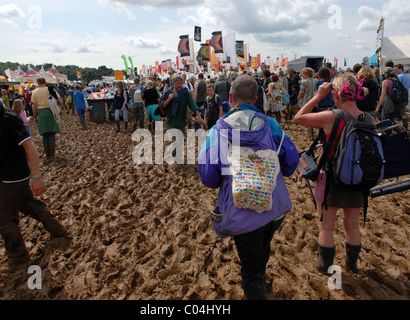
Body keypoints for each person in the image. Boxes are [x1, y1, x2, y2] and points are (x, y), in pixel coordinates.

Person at [198, 75, 299, 299]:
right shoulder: (270, 124)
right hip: (272, 207)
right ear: (255, 99)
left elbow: (208, 177)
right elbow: (291, 162)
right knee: (261, 254)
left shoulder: (218, 130)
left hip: (239, 211)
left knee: (250, 268)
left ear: (230, 98)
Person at [0, 84, 70, 272]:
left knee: (3, 219)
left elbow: (30, 148)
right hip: (0, 175)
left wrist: (36, 176)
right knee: (29, 205)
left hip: (14, 176)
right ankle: (58, 230)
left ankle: (19, 259)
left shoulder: (9, 119)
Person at [294, 73, 373, 275]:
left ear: (336, 94)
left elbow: (299, 117)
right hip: (357, 177)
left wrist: (318, 96)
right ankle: (352, 265)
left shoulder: (332, 116)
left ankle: (325, 266)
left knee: (326, 227)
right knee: (352, 226)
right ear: (356, 93)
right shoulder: (369, 119)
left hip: (331, 178)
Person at [159, 74, 205, 159]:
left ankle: (175, 151)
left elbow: (192, 105)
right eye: (178, 84)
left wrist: (199, 116)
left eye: (181, 83)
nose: (179, 85)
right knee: (175, 138)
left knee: (180, 138)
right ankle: (178, 157)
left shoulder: (185, 93)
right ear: (173, 83)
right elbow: (162, 105)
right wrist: (168, 99)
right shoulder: (168, 92)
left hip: (181, 119)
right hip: (171, 119)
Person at [31, 77, 61, 159]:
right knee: (51, 133)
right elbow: (59, 101)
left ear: (37, 83)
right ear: (45, 82)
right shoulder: (50, 90)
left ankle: (47, 153)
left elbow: (34, 106)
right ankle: (52, 153)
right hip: (50, 112)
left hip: (41, 113)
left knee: (44, 134)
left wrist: (35, 116)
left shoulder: (34, 92)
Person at [298, 67, 316, 138]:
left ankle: (310, 134)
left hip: (306, 101)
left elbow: (302, 93)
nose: (302, 75)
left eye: (303, 73)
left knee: (307, 118)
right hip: (314, 101)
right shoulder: (315, 81)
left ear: (306, 74)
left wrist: (298, 98)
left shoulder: (304, 82)